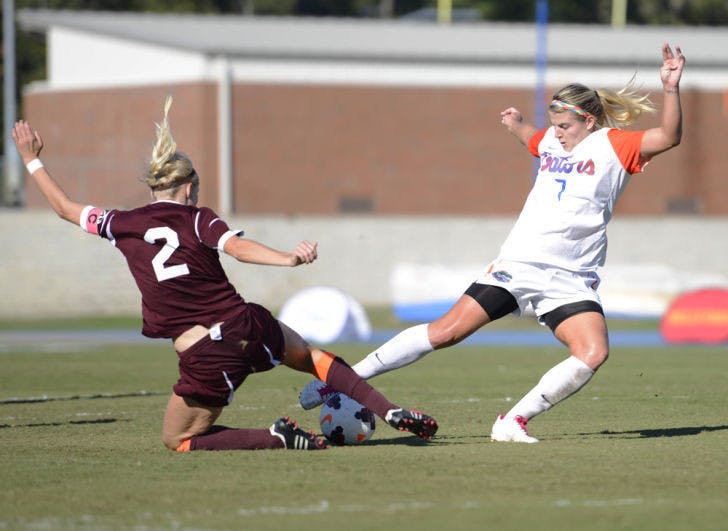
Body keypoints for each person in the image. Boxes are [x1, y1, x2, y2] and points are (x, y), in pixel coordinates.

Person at [300, 43, 685, 443]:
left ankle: (512, 422)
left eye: (565, 126)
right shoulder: (552, 142)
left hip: (570, 277)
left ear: (589, 121)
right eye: (553, 125)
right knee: (445, 332)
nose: (556, 134)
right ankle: (340, 378)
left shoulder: (614, 145)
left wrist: (670, 88)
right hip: (519, 263)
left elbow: (670, 136)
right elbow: (531, 138)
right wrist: (516, 123)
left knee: (593, 353)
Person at [13, 95, 438, 451]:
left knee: (178, 439)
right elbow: (236, 248)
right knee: (313, 358)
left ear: (153, 189)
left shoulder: (123, 223)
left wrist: (31, 160)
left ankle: (275, 438)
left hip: (206, 354)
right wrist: (287, 258)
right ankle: (389, 409)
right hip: (247, 324)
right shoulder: (199, 218)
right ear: (190, 186)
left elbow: (65, 209)